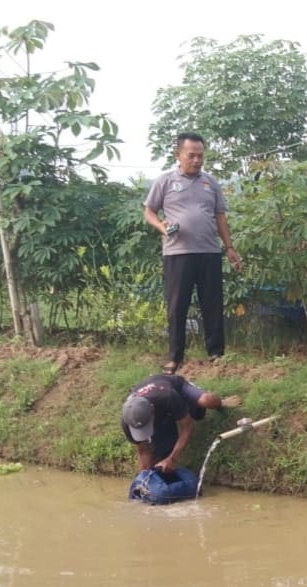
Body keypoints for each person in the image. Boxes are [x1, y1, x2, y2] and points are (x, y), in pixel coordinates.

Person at [144, 132, 243, 374]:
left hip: (209, 251)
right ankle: (175, 357)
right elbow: (149, 211)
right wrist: (161, 226)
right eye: (192, 155)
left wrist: (229, 247)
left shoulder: (210, 182)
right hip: (177, 253)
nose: (197, 160)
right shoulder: (165, 181)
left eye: (201, 155)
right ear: (179, 155)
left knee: (212, 303)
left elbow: (220, 216)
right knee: (177, 306)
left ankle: (216, 354)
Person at [121, 373, 241, 473]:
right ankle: (172, 419)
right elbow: (143, 452)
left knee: (206, 401)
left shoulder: (167, 396)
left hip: (177, 389)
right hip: (162, 412)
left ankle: (221, 402)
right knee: (158, 457)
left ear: (152, 411)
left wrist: (173, 458)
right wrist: (142, 479)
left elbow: (187, 427)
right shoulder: (129, 420)